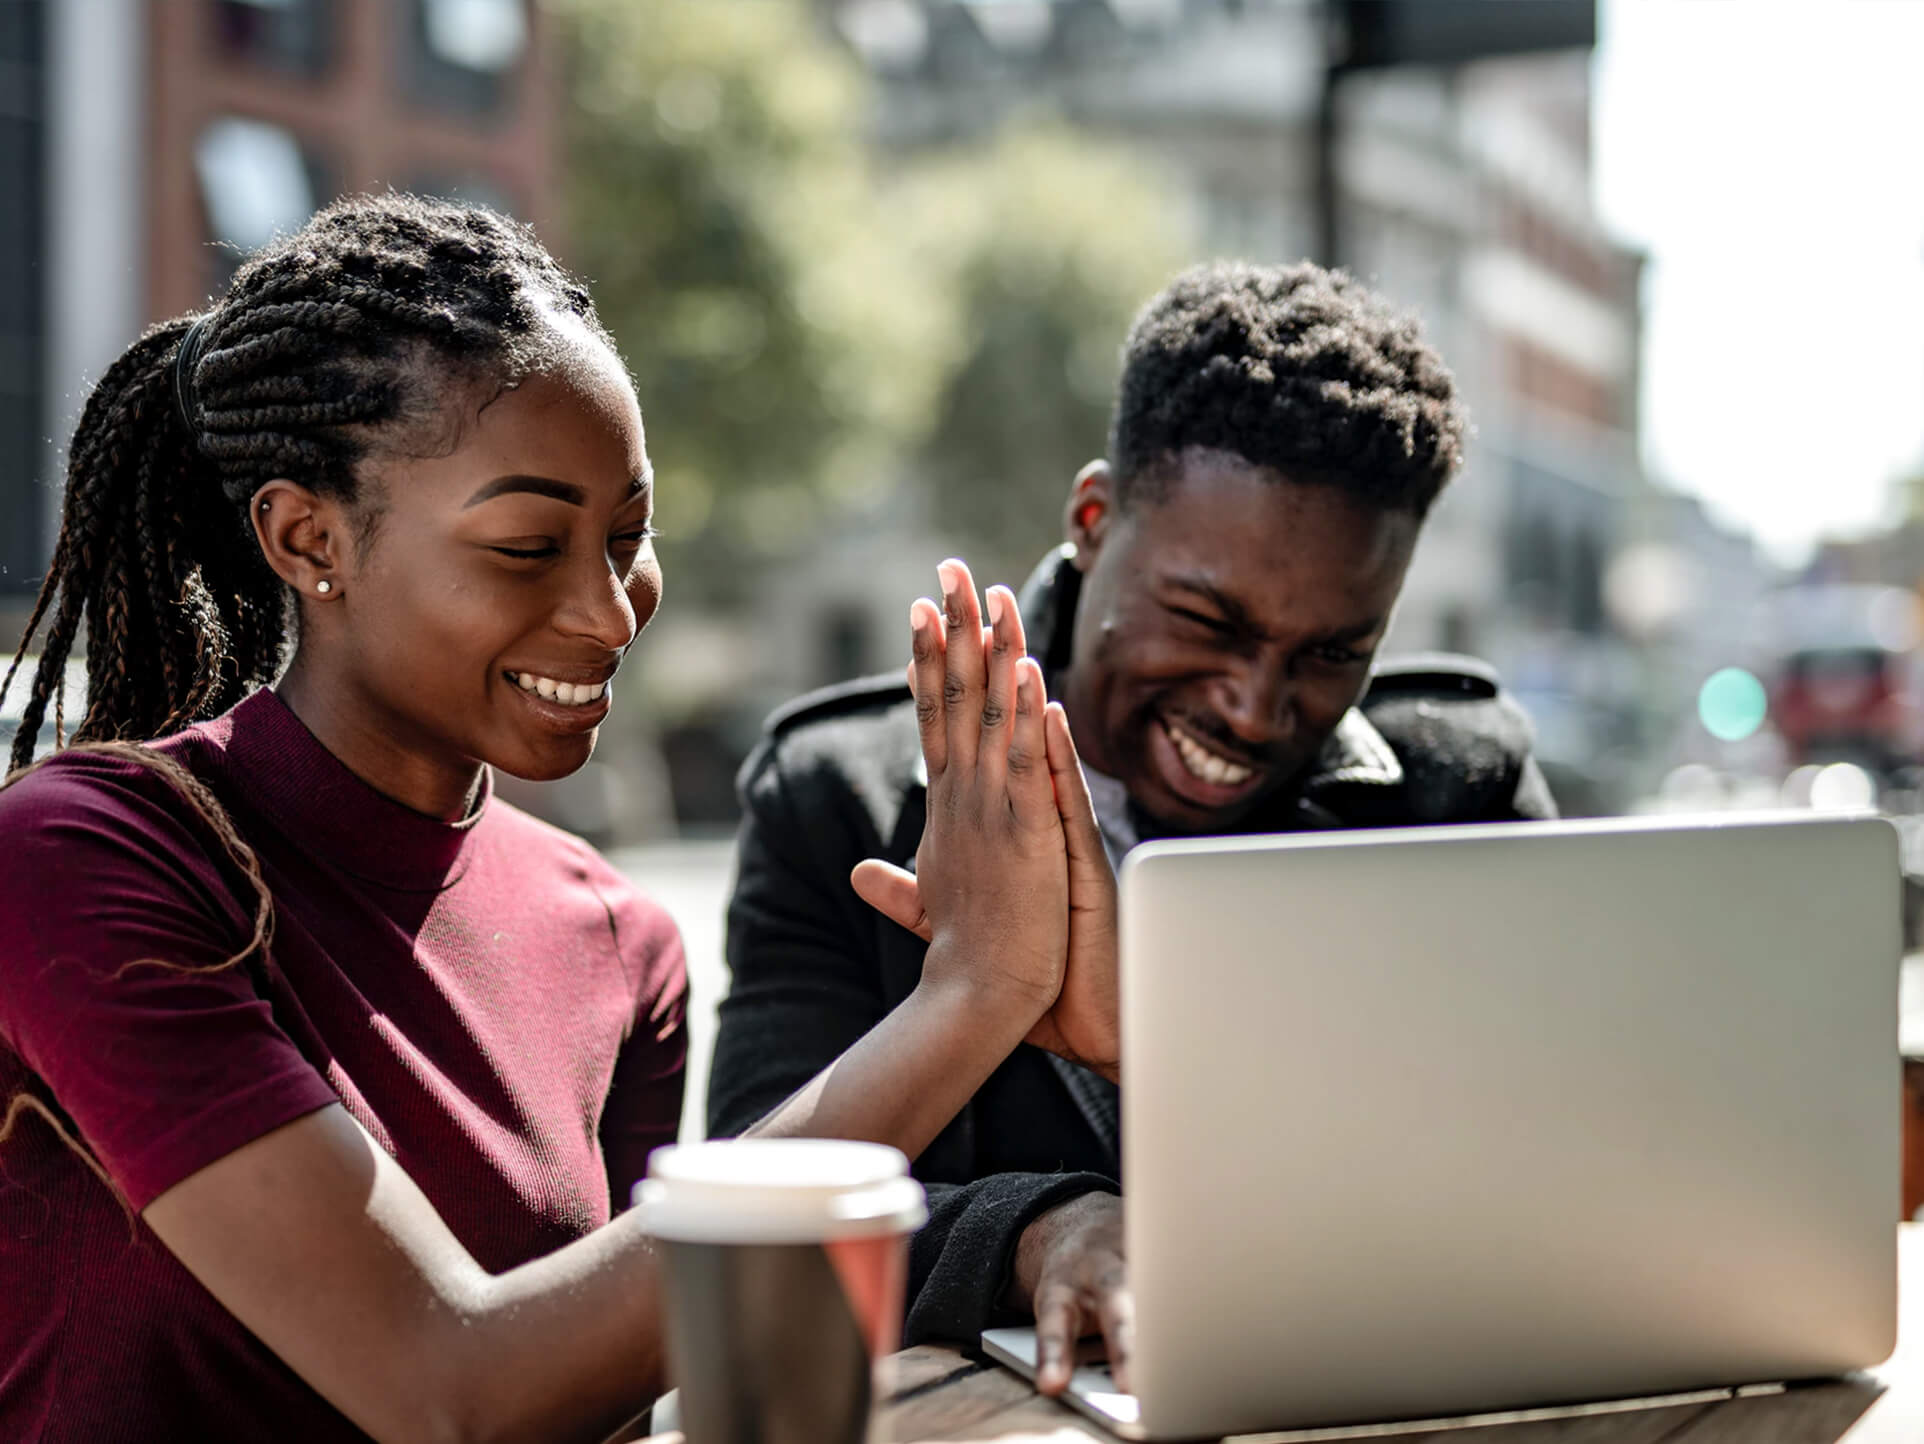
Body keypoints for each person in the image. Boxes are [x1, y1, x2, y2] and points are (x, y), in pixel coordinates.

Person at [0, 193, 1111, 1444]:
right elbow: (448, 1389)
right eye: (530, 546)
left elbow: (594, 1406)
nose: (608, 610)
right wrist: (966, 1000)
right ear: (310, 538)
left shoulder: (617, 938)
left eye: (628, 535)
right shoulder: (89, 855)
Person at [708, 260, 1558, 1393]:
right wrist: (1034, 1231)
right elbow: (756, 1200)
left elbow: (1548, 1163)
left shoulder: (1459, 787)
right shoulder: (839, 798)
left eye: (1330, 654)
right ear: (1095, 519)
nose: (1255, 708)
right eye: (1206, 619)